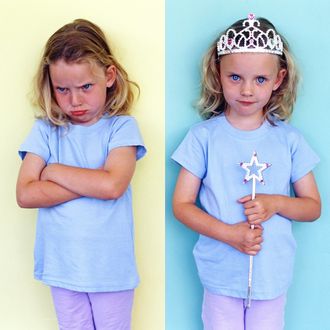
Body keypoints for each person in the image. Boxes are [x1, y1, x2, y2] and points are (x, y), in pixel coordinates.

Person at [172, 14, 321, 330]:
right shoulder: (203, 138)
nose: (247, 90)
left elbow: (312, 207)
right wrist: (230, 234)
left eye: (261, 80)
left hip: (271, 278)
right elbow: (182, 206)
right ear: (219, 74)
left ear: (278, 79)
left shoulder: (289, 140)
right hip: (220, 277)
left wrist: (276, 203)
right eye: (235, 77)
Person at [16, 19, 146, 330]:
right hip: (63, 266)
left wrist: (54, 171)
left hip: (110, 268)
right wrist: (93, 180)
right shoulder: (45, 131)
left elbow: (113, 185)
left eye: (86, 87)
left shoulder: (121, 128)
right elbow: (25, 194)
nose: (75, 100)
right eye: (62, 89)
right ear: (50, 85)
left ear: (109, 76)